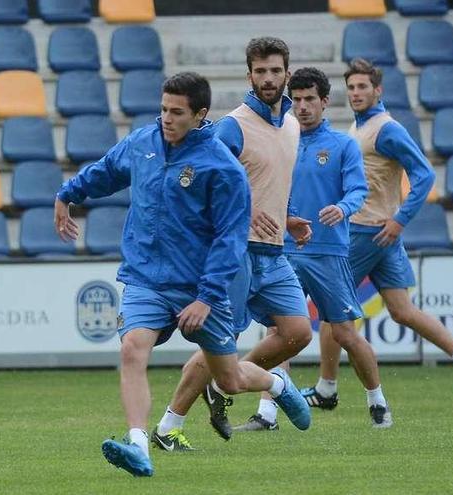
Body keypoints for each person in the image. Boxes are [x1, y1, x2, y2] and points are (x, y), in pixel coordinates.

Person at [54, 72, 310, 478]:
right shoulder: (143, 143)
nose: (166, 119)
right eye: (163, 110)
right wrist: (68, 193)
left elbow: (230, 241)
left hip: (199, 288)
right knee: (132, 349)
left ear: (200, 114)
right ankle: (138, 445)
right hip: (146, 280)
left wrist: (206, 297)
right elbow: (105, 171)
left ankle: (277, 386)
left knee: (229, 378)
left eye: (177, 113)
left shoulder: (221, 167)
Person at [301, 58, 453, 411]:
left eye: (362, 87)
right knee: (402, 310)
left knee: (331, 310)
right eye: (351, 87)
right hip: (380, 234)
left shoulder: (385, 129)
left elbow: (425, 177)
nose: (356, 93)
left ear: (378, 90)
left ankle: (327, 389)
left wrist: (400, 219)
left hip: (365, 231)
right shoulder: (363, 127)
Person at [151, 37, 313, 447]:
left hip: (273, 251)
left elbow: (275, 178)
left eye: (275, 70)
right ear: (249, 76)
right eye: (260, 71)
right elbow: (200, 178)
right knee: (217, 345)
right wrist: (242, 211)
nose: (268, 78)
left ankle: (226, 382)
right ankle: (170, 426)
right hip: (234, 253)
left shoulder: (292, 124)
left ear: (287, 74)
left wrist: (287, 215)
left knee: (298, 332)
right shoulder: (233, 126)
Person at [235, 67, 392, 430]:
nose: (302, 107)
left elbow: (357, 189)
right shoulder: (281, 139)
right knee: (280, 332)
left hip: (328, 252)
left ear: (325, 101)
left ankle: (377, 401)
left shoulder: (342, 145)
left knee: (344, 332)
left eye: (310, 99)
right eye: (298, 99)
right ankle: (267, 412)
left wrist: (344, 207)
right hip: (284, 249)